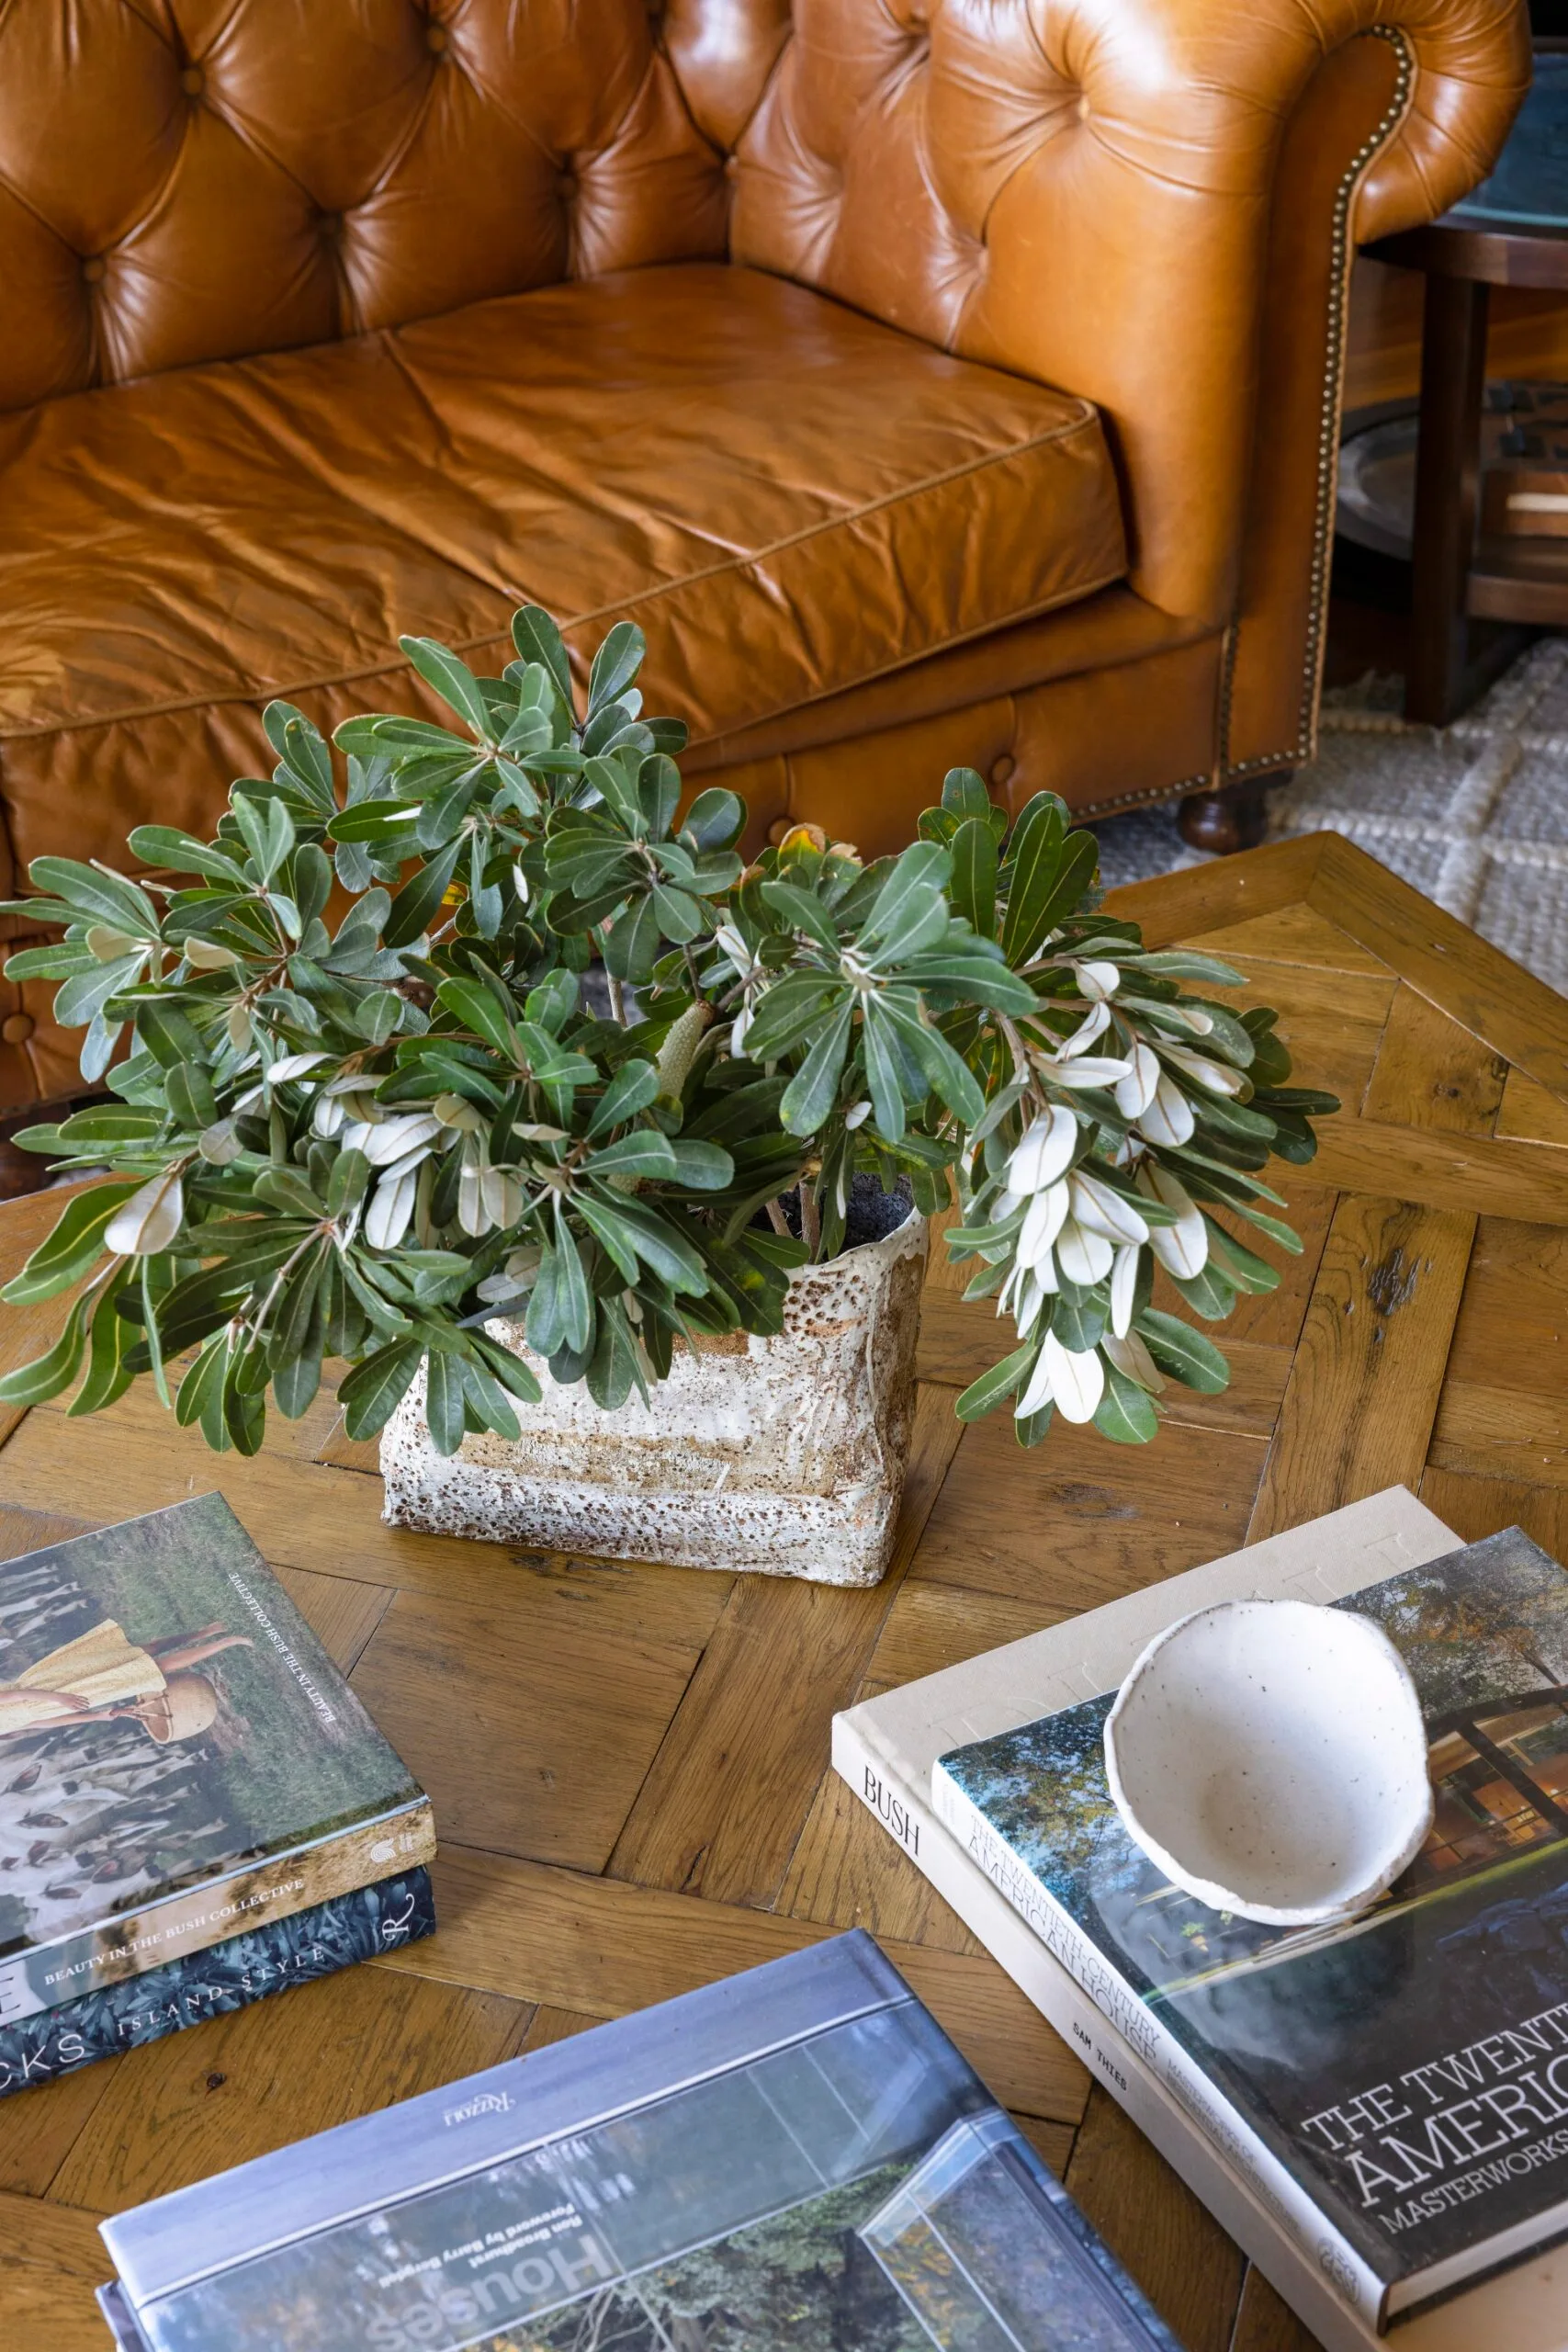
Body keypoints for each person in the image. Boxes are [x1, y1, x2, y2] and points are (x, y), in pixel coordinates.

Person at [0, 1618, 252, 1740]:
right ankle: (226, 1643)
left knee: (148, 1650)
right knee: (152, 1669)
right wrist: (96, 1716)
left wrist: (59, 1697)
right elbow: (37, 1723)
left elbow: (15, 1695)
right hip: (70, 1699)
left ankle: (204, 1632)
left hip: (54, 1684)